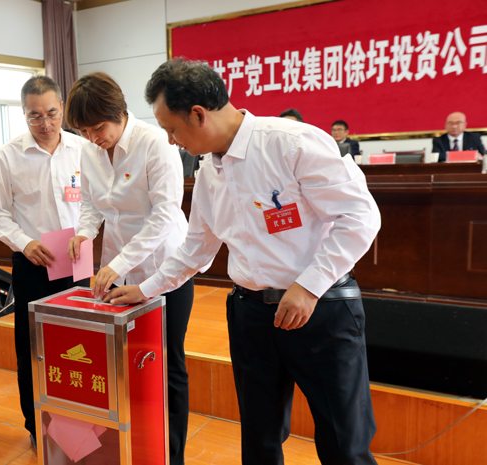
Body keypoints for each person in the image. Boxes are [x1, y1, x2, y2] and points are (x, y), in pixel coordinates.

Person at [106, 58, 381, 465]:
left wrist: (307, 287)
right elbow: (196, 248)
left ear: (198, 114)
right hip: (251, 315)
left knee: (345, 442)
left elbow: (360, 217)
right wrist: (145, 289)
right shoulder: (208, 173)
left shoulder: (292, 143)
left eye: (172, 129)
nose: (170, 141)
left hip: (321, 310)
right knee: (259, 438)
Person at [64, 72, 196, 465]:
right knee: (125, 359)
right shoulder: (90, 150)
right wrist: (84, 233)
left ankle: (172, 455)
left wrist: (118, 262)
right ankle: (134, 444)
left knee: (167, 364)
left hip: (164, 269)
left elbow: (164, 215)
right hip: (119, 271)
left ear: (119, 112)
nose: (92, 138)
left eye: (98, 128)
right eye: (83, 131)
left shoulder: (154, 143)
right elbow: (91, 204)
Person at [0, 75, 91, 449]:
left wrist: (85, 233)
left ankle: (80, 419)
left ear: (63, 108)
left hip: (77, 258)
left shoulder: (83, 149)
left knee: (80, 342)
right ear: (24, 113)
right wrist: (25, 243)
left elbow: (96, 203)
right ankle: (36, 425)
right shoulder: (8, 156)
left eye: (52, 114)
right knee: (33, 347)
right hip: (33, 260)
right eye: (35, 116)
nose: (45, 124)